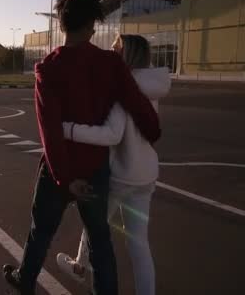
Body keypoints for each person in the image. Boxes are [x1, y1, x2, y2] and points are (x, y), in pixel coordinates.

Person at [2, 0, 161, 295]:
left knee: (41, 233)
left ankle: (26, 281)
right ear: (91, 26)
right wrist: (152, 131)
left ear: (62, 25)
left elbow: (49, 129)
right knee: (101, 242)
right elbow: (137, 103)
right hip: (95, 168)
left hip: (57, 171)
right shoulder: (110, 64)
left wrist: (63, 177)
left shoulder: (48, 68)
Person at [56, 34, 171, 295]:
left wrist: (67, 128)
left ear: (126, 55)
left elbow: (112, 134)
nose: (110, 50)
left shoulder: (123, 89)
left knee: (95, 227)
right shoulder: (152, 88)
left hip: (120, 177)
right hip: (146, 176)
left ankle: (80, 267)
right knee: (139, 244)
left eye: (116, 48)